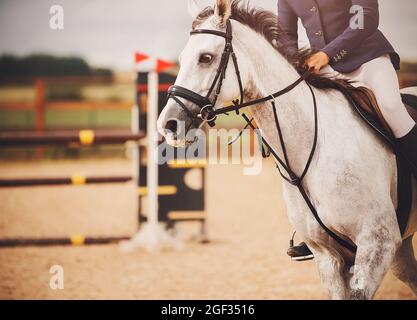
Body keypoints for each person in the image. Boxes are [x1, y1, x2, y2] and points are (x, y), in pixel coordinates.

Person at [277, 0, 417, 261]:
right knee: (314, 132)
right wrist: (292, 65)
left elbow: (366, 17)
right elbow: (286, 36)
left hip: (368, 59)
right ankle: (318, 227)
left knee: (391, 107)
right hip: (325, 69)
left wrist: (328, 53)